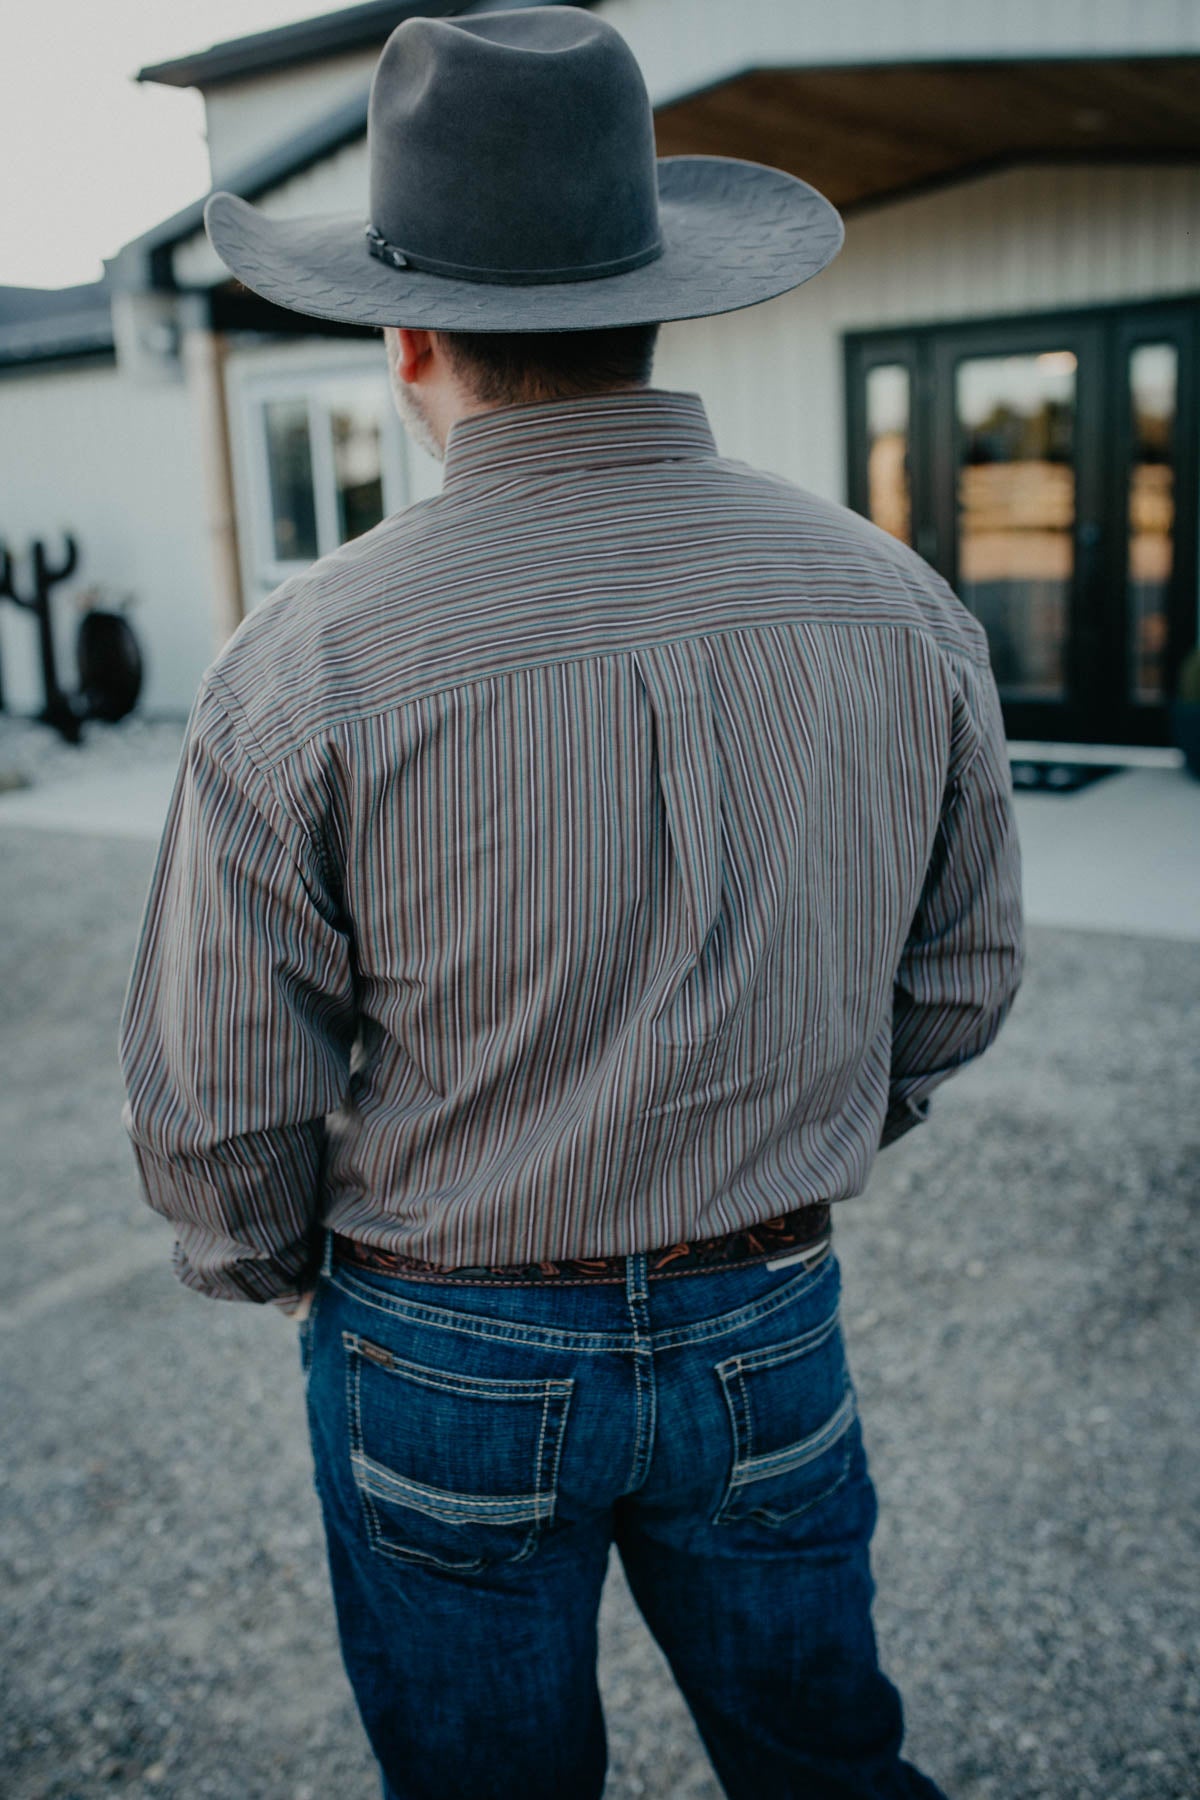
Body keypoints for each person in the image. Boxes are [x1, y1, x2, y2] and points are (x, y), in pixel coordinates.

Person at [118, 10, 1023, 1798]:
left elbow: (216, 1095)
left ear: (405, 338)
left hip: (442, 1331)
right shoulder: (891, 600)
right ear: (654, 293)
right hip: (766, 1308)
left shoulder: (309, 654)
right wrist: (808, 1125)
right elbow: (963, 973)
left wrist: (289, 1270)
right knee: (829, 1765)